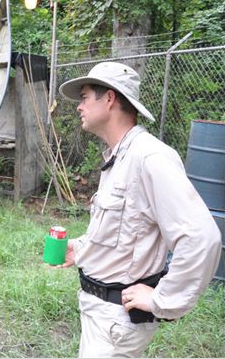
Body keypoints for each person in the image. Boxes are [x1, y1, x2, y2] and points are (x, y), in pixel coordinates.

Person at [56, 61, 221, 358]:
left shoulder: (150, 157)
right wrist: (81, 248)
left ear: (109, 98)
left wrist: (163, 299)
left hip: (116, 322)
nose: (79, 107)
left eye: (84, 97)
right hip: (101, 315)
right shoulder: (120, 157)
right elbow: (128, 230)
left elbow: (201, 238)